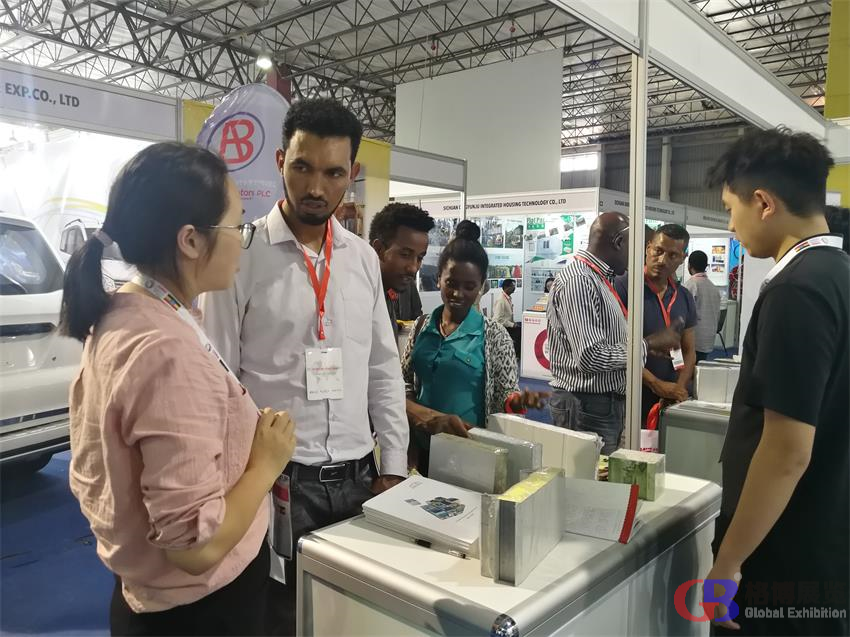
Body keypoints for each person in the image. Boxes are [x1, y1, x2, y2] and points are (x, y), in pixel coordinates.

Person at [61, 143, 296, 636]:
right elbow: (195, 548)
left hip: (153, 597)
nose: (242, 242)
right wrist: (265, 463)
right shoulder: (167, 352)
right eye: (237, 227)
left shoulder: (128, 312)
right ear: (190, 240)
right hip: (202, 611)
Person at [199, 98, 408, 636]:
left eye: (333, 173)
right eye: (303, 167)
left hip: (361, 477)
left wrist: (394, 465)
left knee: (354, 618)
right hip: (279, 483)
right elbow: (219, 379)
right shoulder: (240, 255)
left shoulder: (362, 258)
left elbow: (383, 367)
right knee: (280, 618)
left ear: (352, 174)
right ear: (279, 162)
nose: (316, 187)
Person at [704, 128, 849, 635]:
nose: (731, 225)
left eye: (731, 209)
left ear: (764, 203)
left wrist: (728, 563)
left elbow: (787, 451)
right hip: (823, 535)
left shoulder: (797, 290)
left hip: (782, 551)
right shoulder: (838, 274)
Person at [402, 221, 545, 474]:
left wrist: (518, 401)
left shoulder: (494, 335)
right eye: (451, 283)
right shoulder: (422, 326)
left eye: (469, 287)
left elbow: (505, 395)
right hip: (419, 451)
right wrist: (417, 418)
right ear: (438, 279)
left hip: (469, 453)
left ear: (481, 286)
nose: (458, 293)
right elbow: (404, 381)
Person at [547, 212, 681, 455]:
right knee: (587, 476)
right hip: (586, 406)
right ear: (619, 242)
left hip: (598, 405)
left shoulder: (597, 279)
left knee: (599, 474)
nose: (637, 256)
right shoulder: (580, 281)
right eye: (634, 247)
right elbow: (589, 357)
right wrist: (647, 344)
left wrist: (643, 348)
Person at [614, 224, 698, 425]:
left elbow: (689, 350)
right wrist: (655, 384)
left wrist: (678, 388)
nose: (662, 260)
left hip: (670, 399)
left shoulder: (684, 296)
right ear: (648, 248)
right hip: (629, 397)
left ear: (683, 258)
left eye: (672, 255)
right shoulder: (623, 287)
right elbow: (616, 347)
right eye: (658, 251)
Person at [369, 202, 434, 335]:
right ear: (379, 249)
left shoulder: (390, 290)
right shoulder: (356, 298)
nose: (413, 268)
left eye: (420, 258)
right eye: (405, 255)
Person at [684, 250, 722, 363]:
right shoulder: (713, 287)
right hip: (709, 338)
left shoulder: (690, 285)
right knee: (700, 366)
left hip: (693, 338)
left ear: (689, 265)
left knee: (689, 368)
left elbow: (684, 314)